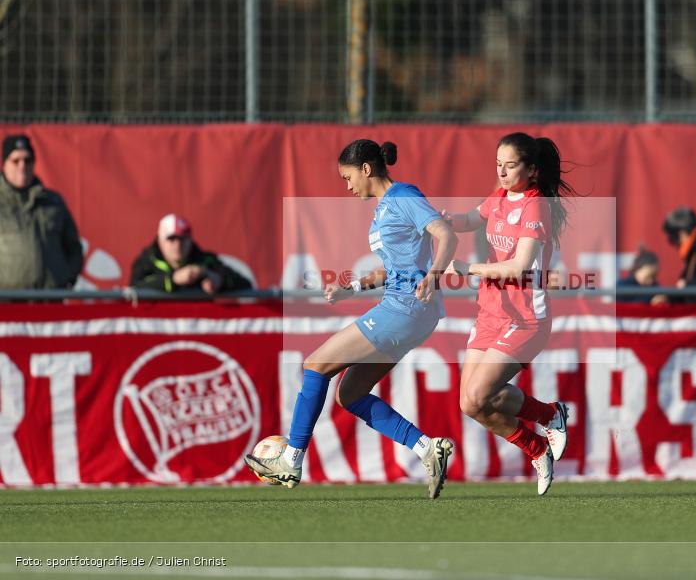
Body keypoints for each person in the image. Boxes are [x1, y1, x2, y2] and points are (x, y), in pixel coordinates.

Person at [244, 140, 459, 499]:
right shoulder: (383, 209)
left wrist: (434, 275)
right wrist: (353, 287)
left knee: (316, 365)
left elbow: (446, 235)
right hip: (413, 311)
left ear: (366, 169)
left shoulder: (404, 196)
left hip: (406, 306)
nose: (347, 187)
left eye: (348, 177)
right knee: (351, 393)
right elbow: (392, 267)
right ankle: (427, 449)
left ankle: (291, 460)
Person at [443, 132, 571, 496]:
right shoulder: (499, 196)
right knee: (471, 402)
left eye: (510, 165)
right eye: (498, 163)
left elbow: (518, 266)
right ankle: (537, 447)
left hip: (526, 318)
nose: (501, 171)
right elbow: (471, 219)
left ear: (531, 170)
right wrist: (442, 219)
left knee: (482, 392)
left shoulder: (535, 206)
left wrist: (470, 268)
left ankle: (550, 415)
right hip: (490, 313)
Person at [0, 134, 83, 289]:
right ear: (4, 164)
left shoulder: (52, 202)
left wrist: (67, 278)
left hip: (48, 299)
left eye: (27, 160)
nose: (22, 166)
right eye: (15, 160)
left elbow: (73, 247)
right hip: (6, 301)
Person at [129, 214, 253, 294]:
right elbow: (133, 289)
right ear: (159, 240)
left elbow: (246, 284)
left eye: (182, 239)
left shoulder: (206, 261)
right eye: (171, 239)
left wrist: (217, 280)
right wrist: (173, 280)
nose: (177, 245)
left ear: (190, 240)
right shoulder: (146, 262)